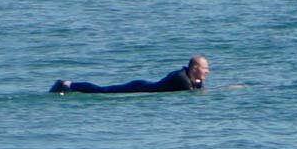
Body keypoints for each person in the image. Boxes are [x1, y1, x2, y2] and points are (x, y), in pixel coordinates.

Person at [54, 56, 210, 95]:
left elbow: (197, 88)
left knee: (103, 91)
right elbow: (193, 91)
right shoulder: (181, 78)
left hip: (143, 85)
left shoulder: (188, 76)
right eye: (205, 68)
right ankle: (67, 84)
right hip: (137, 88)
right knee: (102, 91)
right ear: (195, 68)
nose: (207, 71)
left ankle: (68, 85)